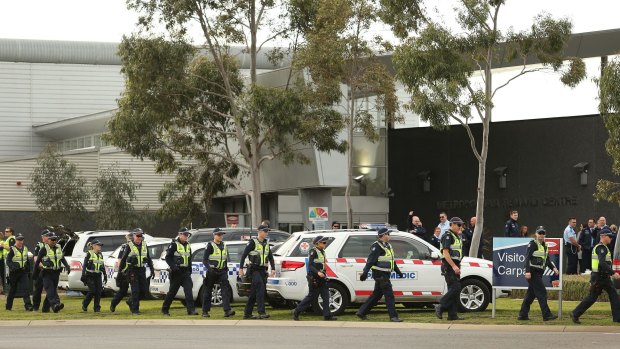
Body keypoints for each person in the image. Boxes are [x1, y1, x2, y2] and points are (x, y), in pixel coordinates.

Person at [570, 228, 620, 324]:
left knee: (611, 295)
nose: (611, 239)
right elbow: (602, 263)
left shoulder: (602, 247)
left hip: (601, 277)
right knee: (595, 297)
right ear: (603, 237)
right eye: (609, 237)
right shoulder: (601, 248)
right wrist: (613, 273)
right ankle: (575, 313)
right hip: (600, 278)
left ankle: (617, 318)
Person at [356, 228, 404, 322]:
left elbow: (391, 261)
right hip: (380, 274)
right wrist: (365, 273)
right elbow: (370, 261)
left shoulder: (388, 246)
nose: (389, 235)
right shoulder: (377, 246)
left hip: (384, 274)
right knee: (389, 295)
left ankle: (362, 312)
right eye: (388, 234)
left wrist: (398, 272)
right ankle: (393, 316)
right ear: (383, 235)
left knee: (376, 295)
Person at [518, 226, 559, 321]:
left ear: (545, 234)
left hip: (539, 273)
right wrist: (527, 271)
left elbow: (547, 260)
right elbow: (527, 258)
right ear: (536, 234)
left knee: (530, 295)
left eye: (543, 233)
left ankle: (522, 315)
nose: (541, 235)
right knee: (542, 292)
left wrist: (553, 268)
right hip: (532, 272)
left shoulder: (544, 245)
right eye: (539, 233)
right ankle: (547, 315)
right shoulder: (533, 244)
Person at [293, 235, 336, 321]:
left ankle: (327, 315)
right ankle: (297, 311)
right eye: (323, 242)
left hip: (322, 277)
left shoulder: (322, 251)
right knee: (311, 297)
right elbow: (310, 265)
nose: (325, 243)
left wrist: (323, 273)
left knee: (326, 295)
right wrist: (318, 272)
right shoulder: (313, 251)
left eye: (325, 242)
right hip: (315, 278)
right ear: (318, 243)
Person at [239, 225, 275, 319]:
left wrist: (273, 268)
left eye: (267, 231)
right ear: (259, 232)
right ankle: (261, 312)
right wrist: (241, 268)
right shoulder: (252, 242)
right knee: (260, 289)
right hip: (254, 270)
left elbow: (270, 257)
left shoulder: (266, 243)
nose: (267, 233)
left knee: (254, 293)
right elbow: (244, 255)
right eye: (265, 231)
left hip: (263, 270)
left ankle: (247, 313)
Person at [117, 229, 154, 315]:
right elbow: (123, 260)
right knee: (135, 290)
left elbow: (148, 258)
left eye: (140, 236)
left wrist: (152, 269)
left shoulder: (145, 245)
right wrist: (119, 273)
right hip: (132, 270)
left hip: (141, 270)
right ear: (133, 236)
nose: (139, 237)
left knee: (144, 290)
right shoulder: (129, 246)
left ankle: (130, 301)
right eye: (137, 235)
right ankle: (135, 310)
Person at [435, 217, 465, 321]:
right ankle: (441, 306)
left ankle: (452, 315)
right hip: (449, 265)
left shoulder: (456, 236)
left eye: (461, 225)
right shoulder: (447, 236)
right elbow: (445, 253)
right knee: (456, 288)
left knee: (454, 290)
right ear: (452, 224)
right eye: (458, 225)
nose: (460, 227)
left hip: (454, 265)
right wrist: (454, 266)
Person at [162, 227, 197, 316]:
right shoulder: (174, 244)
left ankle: (191, 310)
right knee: (172, 292)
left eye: (187, 235)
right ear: (180, 234)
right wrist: (173, 267)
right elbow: (167, 257)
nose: (186, 236)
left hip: (185, 272)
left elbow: (189, 259)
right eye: (185, 234)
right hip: (176, 272)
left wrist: (189, 270)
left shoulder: (188, 245)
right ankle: (165, 309)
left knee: (189, 291)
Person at [202, 228, 235, 318]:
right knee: (208, 291)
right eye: (219, 235)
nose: (221, 236)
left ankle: (227, 311)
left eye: (221, 235)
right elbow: (204, 260)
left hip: (222, 272)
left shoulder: (224, 245)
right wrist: (210, 269)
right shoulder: (210, 245)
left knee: (225, 291)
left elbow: (225, 259)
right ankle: (205, 311)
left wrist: (226, 269)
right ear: (214, 235)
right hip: (212, 272)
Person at [34, 233, 69, 313]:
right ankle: (55, 304)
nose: (54, 241)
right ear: (48, 240)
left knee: (53, 290)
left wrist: (67, 266)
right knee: (50, 289)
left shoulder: (58, 247)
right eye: (52, 240)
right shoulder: (43, 249)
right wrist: (35, 272)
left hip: (56, 273)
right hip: (46, 272)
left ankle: (46, 309)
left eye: (55, 240)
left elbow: (62, 258)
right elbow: (37, 261)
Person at [5, 234, 33, 311]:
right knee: (12, 290)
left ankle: (28, 306)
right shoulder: (12, 249)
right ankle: (8, 306)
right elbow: (8, 261)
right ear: (16, 241)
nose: (20, 242)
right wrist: (13, 267)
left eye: (22, 240)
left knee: (25, 289)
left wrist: (29, 270)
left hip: (23, 272)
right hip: (14, 273)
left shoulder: (25, 248)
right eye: (19, 240)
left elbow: (26, 260)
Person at [110, 231, 134, 313]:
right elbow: (120, 260)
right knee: (123, 290)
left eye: (131, 237)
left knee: (136, 289)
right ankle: (113, 304)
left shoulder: (138, 245)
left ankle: (131, 303)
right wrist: (120, 272)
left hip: (134, 271)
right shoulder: (124, 246)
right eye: (129, 237)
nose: (130, 238)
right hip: (125, 271)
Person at [81, 240, 107, 312]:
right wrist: (83, 274)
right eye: (98, 245)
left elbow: (102, 265)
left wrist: (105, 275)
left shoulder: (100, 254)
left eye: (100, 245)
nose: (100, 246)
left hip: (98, 275)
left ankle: (97, 308)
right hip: (90, 275)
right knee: (92, 291)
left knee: (98, 292)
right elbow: (84, 265)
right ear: (94, 246)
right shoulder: (89, 254)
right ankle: (85, 304)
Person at [32, 229, 52, 312]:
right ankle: (36, 307)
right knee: (38, 289)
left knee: (51, 289)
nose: (48, 237)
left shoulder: (53, 245)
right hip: (40, 270)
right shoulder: (39, 245)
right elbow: (36, 258)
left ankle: (46, 307)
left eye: (49, 236)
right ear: (42, 237)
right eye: (46, 236)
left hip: (50, 271)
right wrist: (43, 266)